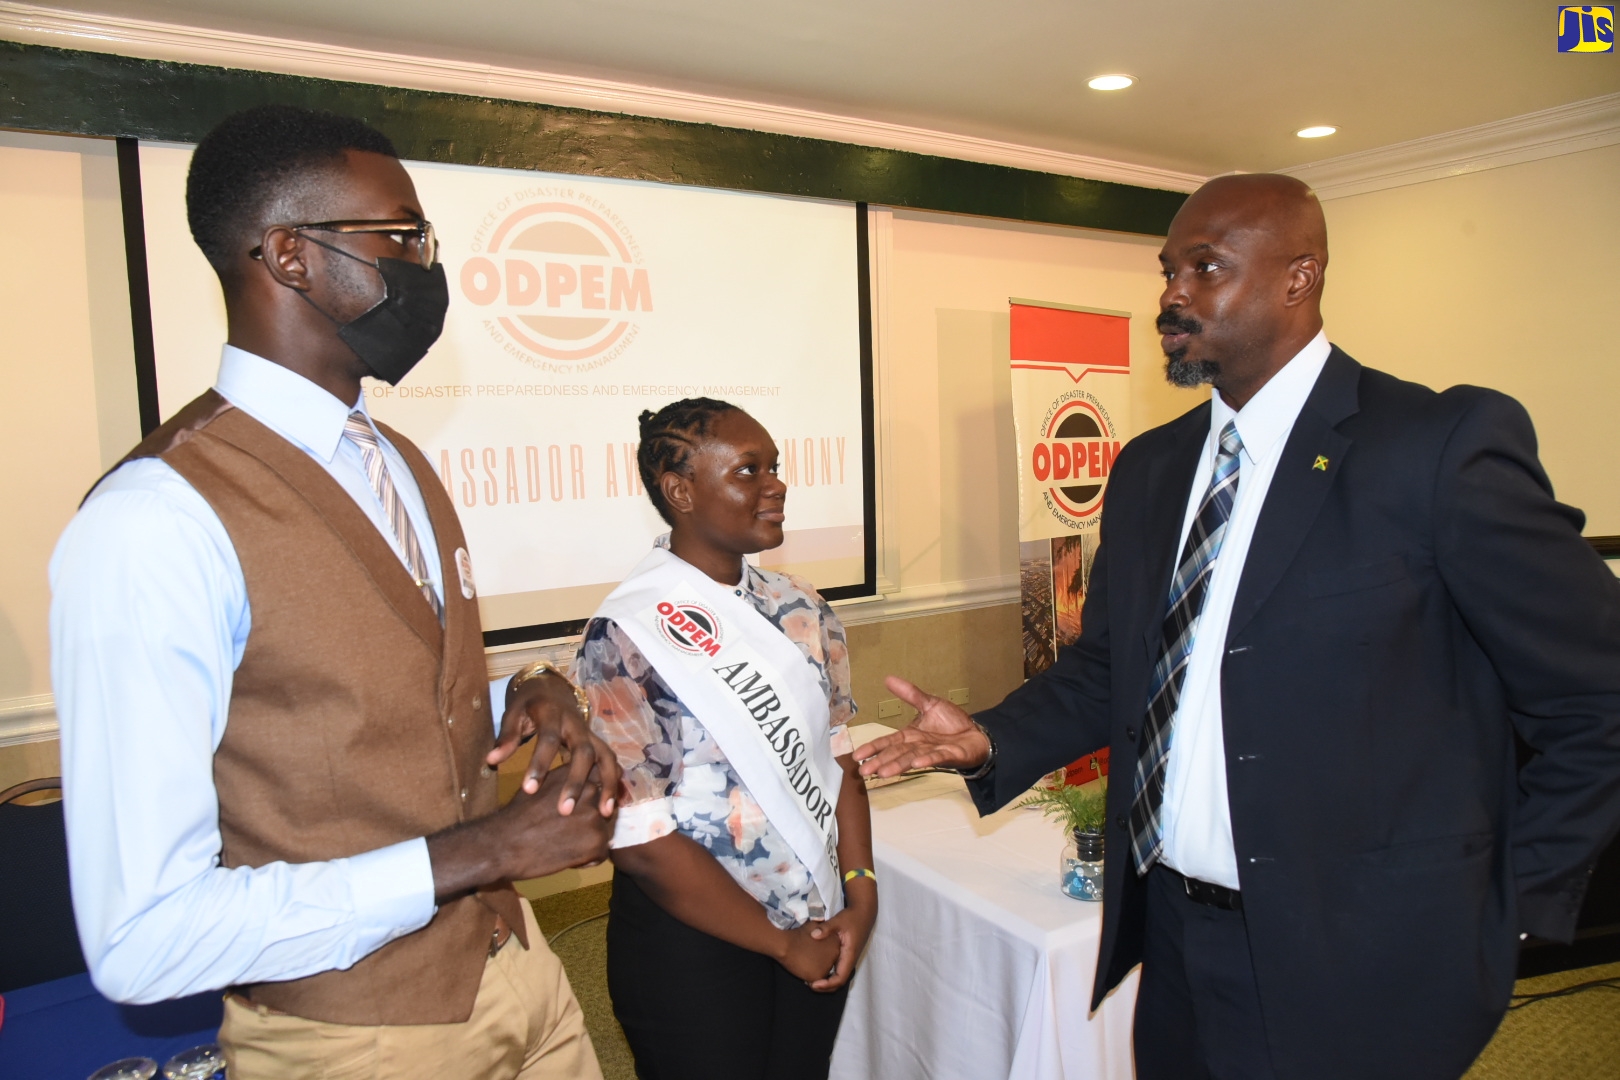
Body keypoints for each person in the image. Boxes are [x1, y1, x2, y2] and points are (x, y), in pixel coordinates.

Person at [855, 173, 1620, 1080]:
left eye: (1205, 268)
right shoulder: (1149, 467)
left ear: (1300, 277)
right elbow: (1114, 668)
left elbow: (1597, 697)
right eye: (1168, 270)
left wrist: (1511, 908)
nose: (1172, 295)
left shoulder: (1434, 446)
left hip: (1365, 960)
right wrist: (988, 737)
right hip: (1174, 940)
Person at [50, 105, 621, 1080]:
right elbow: (142, 940)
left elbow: (344, 708)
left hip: (524, 983)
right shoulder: (156, 521)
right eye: (402, 236)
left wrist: (522, 692)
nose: (428, 266)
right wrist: (478, 854)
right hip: (355, 1041)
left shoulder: (396, 462)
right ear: (289, 256)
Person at [573, 398, 877, 1080]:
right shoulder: (624, 636)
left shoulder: (803, 608)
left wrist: (861, 891)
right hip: (693, 946)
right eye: (749, 470)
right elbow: (641, 839)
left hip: (817, 917)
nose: (776, 484)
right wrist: (779, 943)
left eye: (775, 466)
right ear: (680, 491)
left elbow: (838, 760)